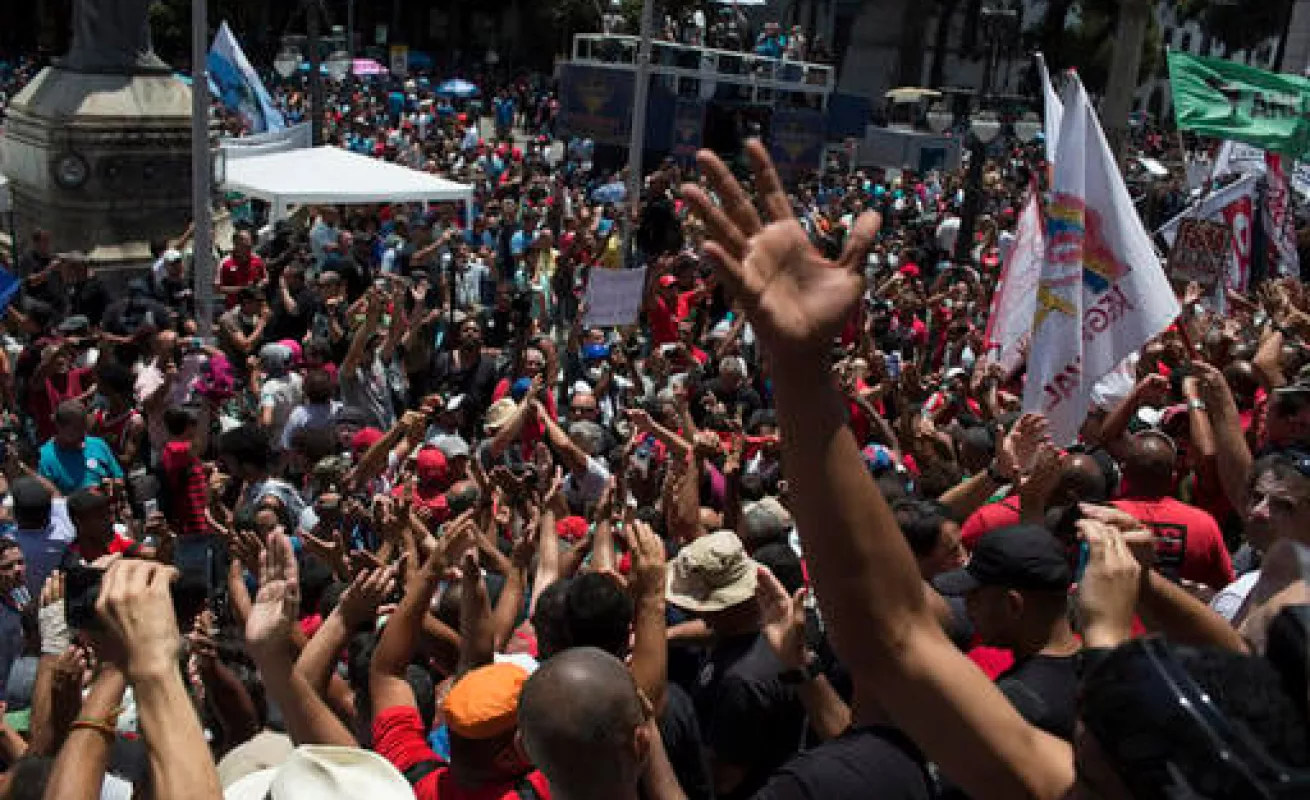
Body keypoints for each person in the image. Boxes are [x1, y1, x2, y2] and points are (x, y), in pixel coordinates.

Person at [665, 531, 804, 799]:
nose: (698, 612)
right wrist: (666, 637)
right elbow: (716, 630)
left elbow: (723, 779)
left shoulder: (740, 683)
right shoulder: (771, 630)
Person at [934, 525, 1082, 740]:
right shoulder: (1098, 667)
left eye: (974, 594)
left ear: (1013, 605)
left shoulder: (1018, 704)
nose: (966, 605)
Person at [1111, 431, 1235, 592]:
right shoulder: (1204, 524)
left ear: (1124, 472)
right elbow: (1226, 588)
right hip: (1181, 615)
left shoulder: (1104, 517)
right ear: (1173, 477)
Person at [37, 400, 124, 496]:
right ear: (59, 426)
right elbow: (50, 500)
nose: (83, 435)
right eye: (76, 429)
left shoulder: (98, 444)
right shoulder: (45, 457)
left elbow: (119, 478)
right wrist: (82, 497)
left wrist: (113, 485)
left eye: (84, 428)